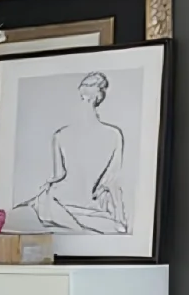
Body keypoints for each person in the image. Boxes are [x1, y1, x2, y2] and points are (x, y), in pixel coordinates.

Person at [17, 72, 128, 234]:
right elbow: (112, 181)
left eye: (82, 98)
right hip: (77, 206)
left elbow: (58, 175)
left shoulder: (61, 135)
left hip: (61, 205)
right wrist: (119, 217)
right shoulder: (114, 134)